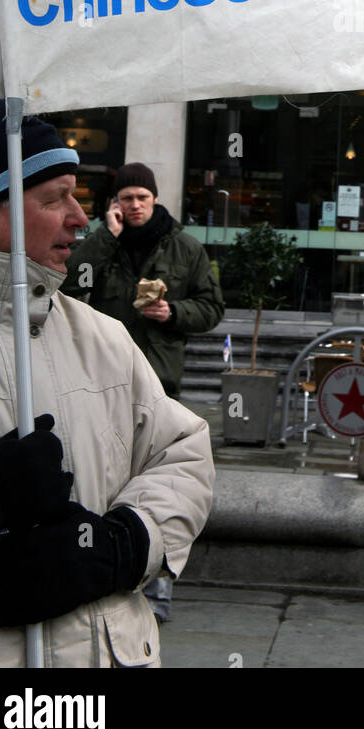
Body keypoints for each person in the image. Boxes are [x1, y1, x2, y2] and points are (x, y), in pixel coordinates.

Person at [0, 100, 214, 667]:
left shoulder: (101, 337)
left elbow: (183, 453)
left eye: (77, 195)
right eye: (54, 199)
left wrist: (123, 546)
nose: (80, 216)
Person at [61, 161, 223, 621]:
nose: (134, 206)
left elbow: (212, 308)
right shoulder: (103, 245)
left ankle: (159, 588)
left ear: (155, 200)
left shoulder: (185, 247)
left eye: (141, 198)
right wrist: (103, 238)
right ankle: (105, 568)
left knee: (160, 480)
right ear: (115, 203)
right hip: (103, 379)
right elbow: (69, 281)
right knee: (108, 478)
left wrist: (174, 313)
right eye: (125, 198)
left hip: (161, 381)